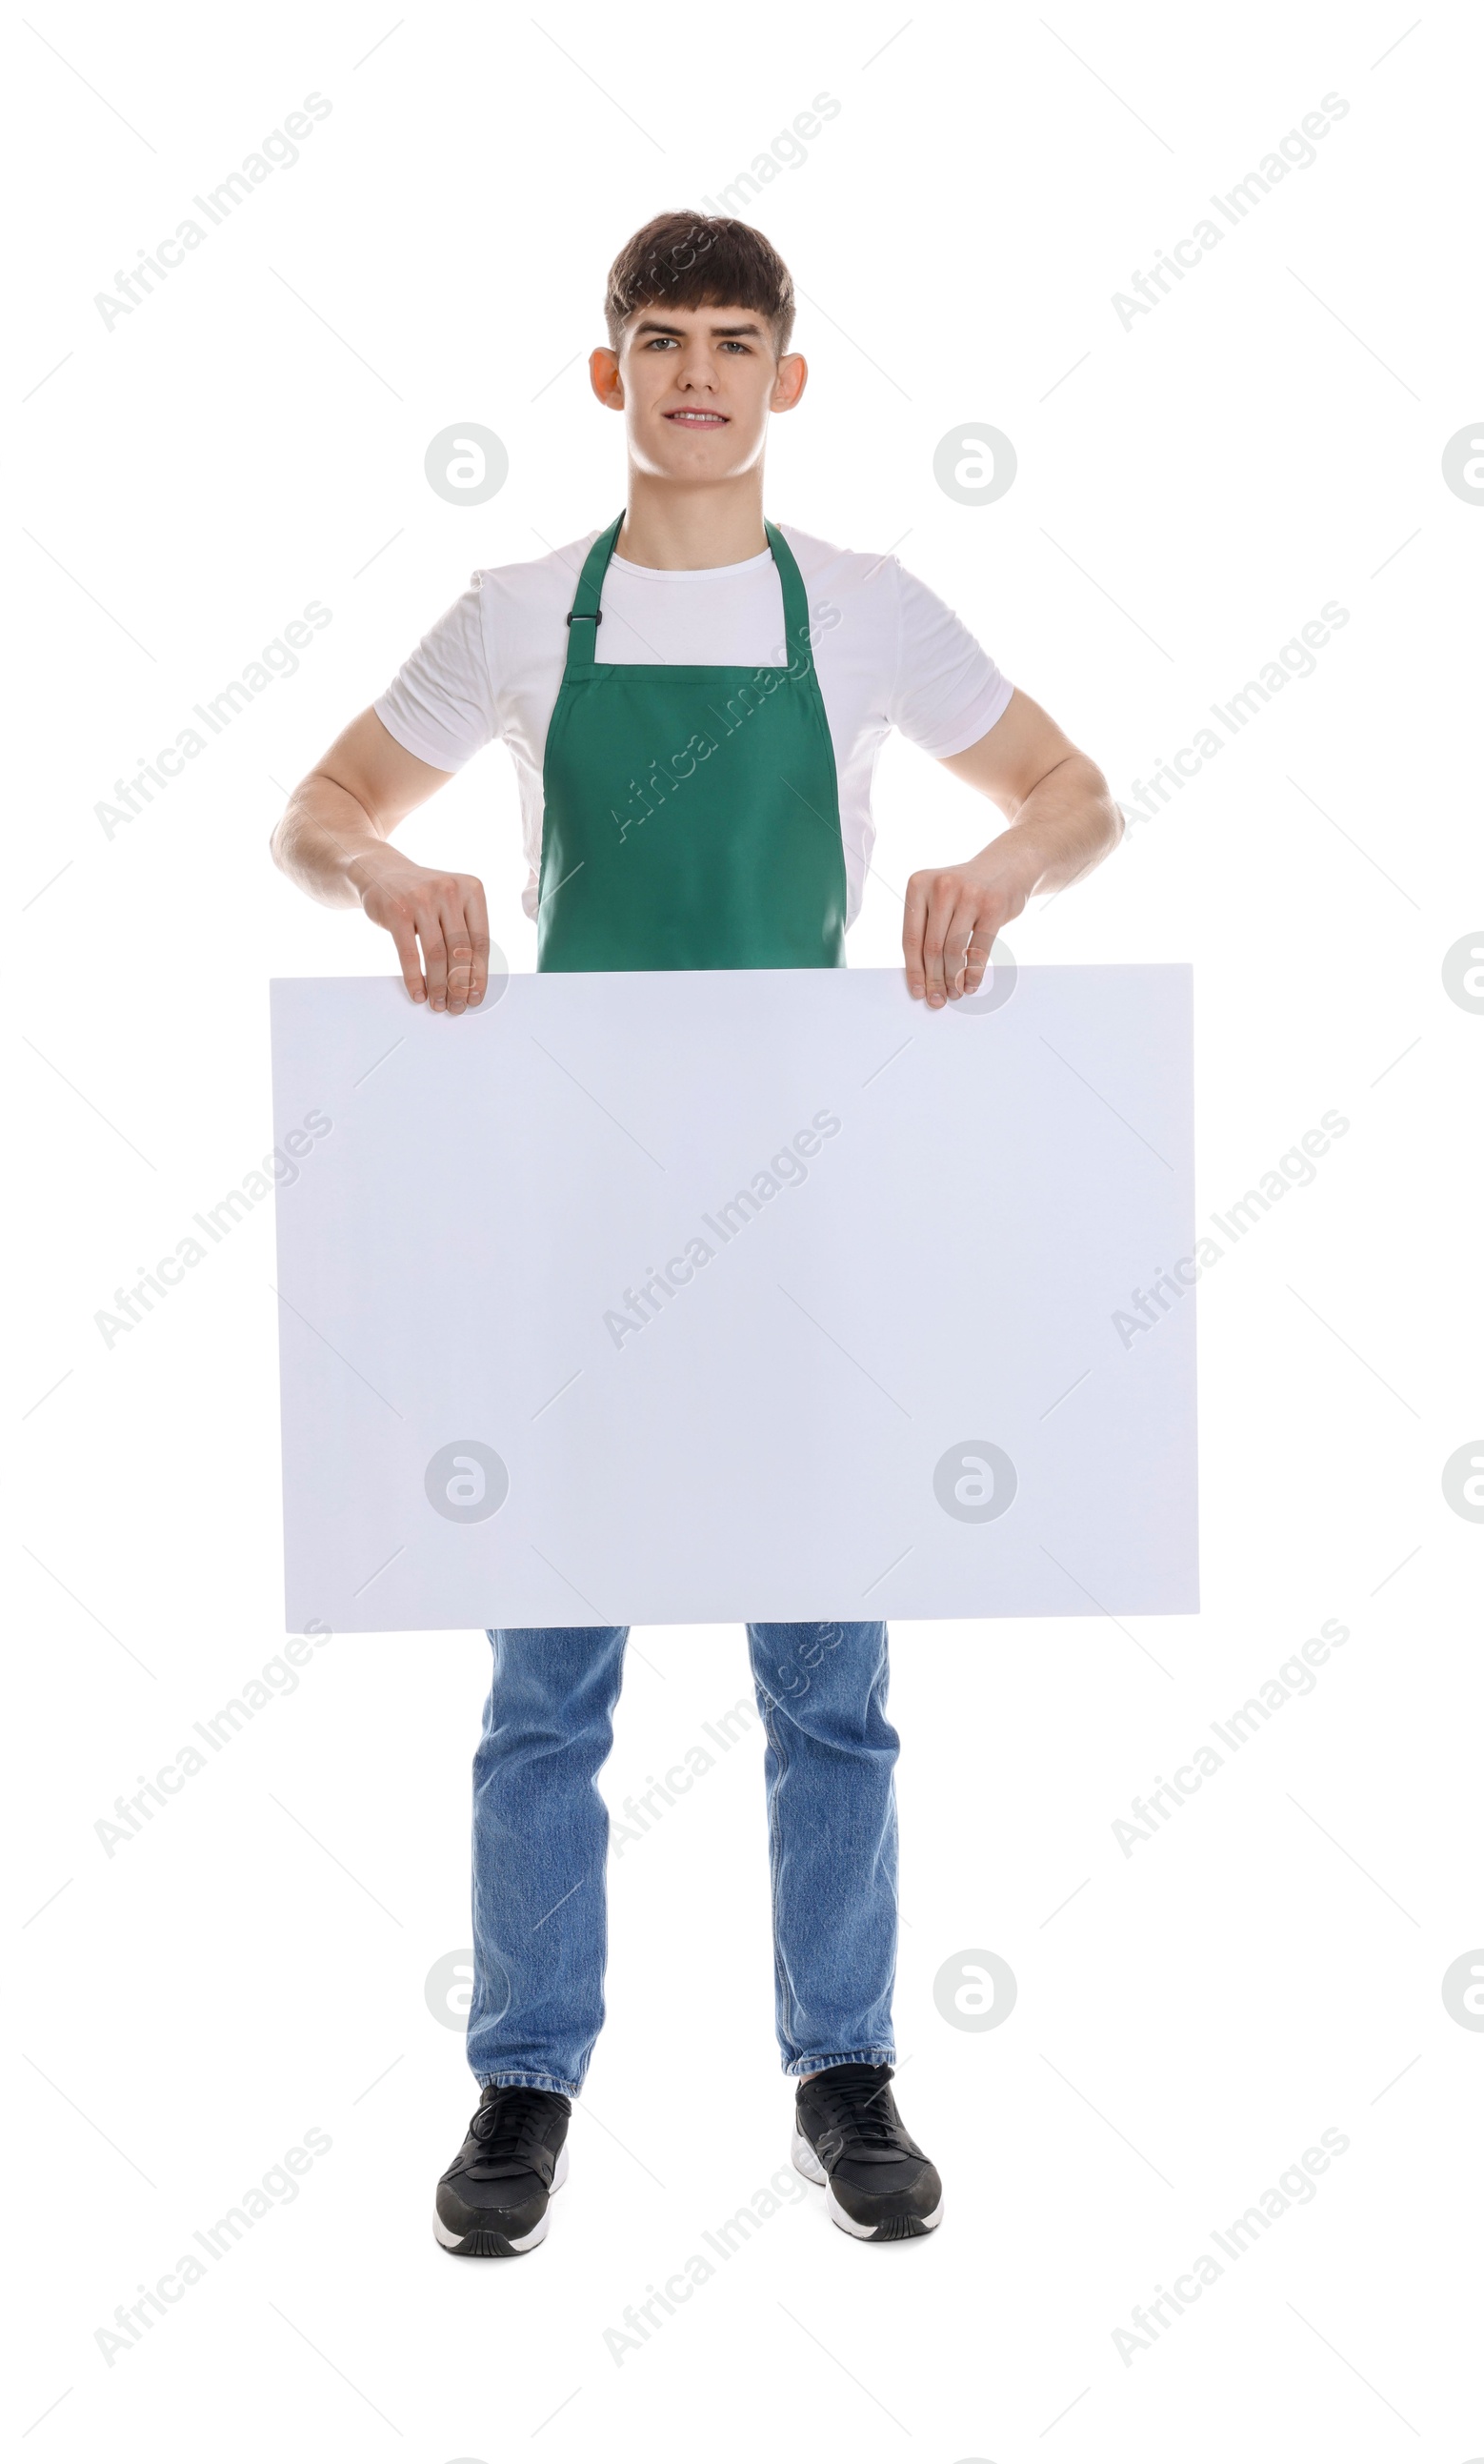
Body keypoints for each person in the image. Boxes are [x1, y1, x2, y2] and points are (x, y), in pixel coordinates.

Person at [271, 212, 1122, 2255]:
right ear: (608, 379)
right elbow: (313, 812)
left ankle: (843, 2068)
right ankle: (522, 2076)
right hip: (566, 1204)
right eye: (661, 342)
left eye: (735, 343)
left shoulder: (863, 608)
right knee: (544, 1679)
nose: (697, 378)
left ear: (784, 383)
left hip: (800, 1200)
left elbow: (1075, 788)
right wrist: (386, 874)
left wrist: (998, 861)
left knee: (827, 1678)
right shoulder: (503, 616)